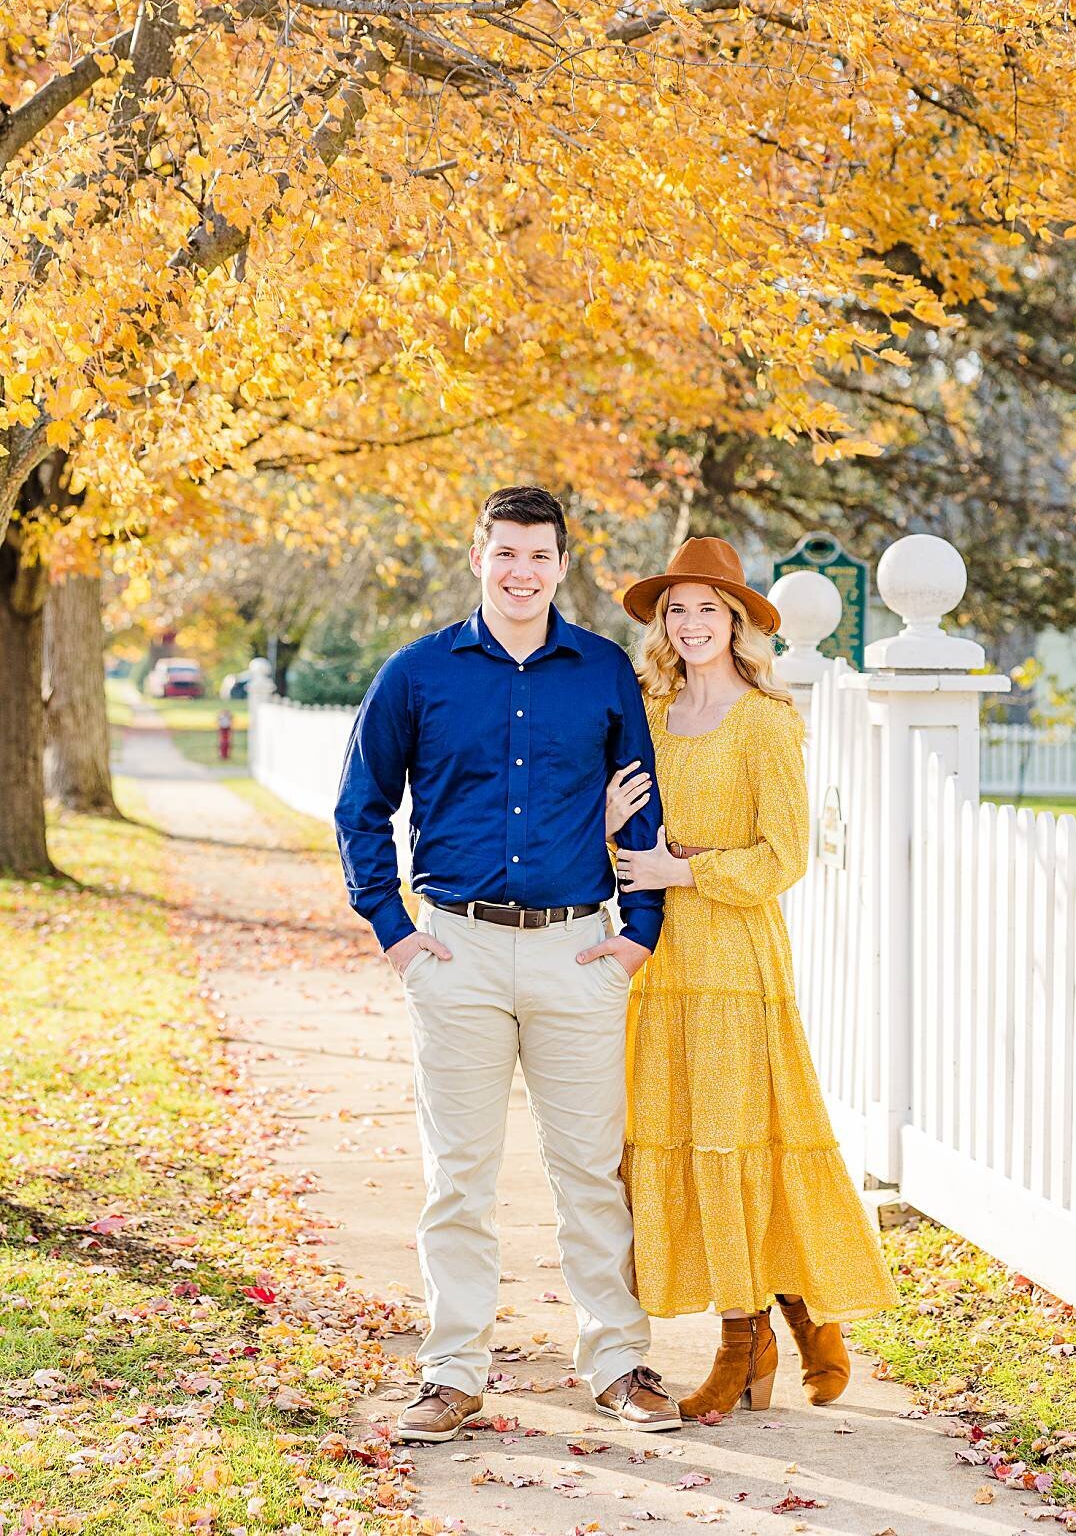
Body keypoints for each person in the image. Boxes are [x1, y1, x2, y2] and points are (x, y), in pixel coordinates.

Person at [334, 486, 682, 1443]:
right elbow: (360, 806)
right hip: (460, 950)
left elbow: (640, 804)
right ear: (478, 558)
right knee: (460, 1173)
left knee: (588, 1171)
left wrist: (639, 930)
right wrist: (395, 932)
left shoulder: (604, 671)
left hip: (580, 948)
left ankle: (615, 1358)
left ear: (561, 564)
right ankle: (452, 1370)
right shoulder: (416, 674)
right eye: (505, 554)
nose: (521, 572)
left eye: (539, 556)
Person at [605, 536, 898, 1418]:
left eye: (708, 608)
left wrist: (681, 870)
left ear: (737, 621)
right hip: (661, 960)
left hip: (735, 956)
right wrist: (613, 826)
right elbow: (629, 839)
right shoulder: (650, 716)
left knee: (739, 1140)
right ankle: (793, 1322)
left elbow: (784, 856)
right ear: (664, 623)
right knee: (689, 1142)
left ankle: (745, 1341)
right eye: (677, 609)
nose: (691, 623)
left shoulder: (767, 720)